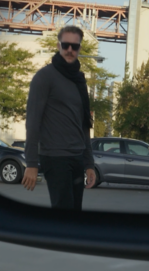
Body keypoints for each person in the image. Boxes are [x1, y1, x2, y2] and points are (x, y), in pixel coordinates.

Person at [21, 26, 97, 210]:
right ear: (58, 45)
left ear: (79, 48)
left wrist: (89, 163)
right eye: (65, 45)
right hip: (55, 157)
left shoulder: (79, 80)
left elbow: (84, 124)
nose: (70, 50)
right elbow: (33, 121)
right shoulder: (44, 77)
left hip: (77, 157)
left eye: (74, 46)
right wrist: (31, 163)